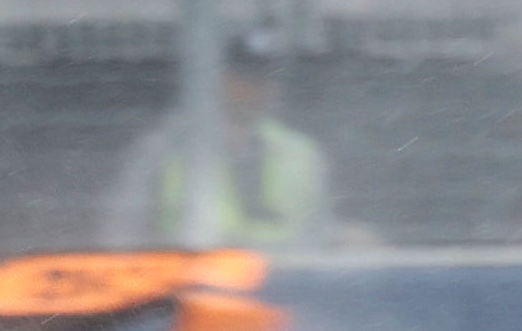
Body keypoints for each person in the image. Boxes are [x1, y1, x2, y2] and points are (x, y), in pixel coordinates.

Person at [96, 28, 346, 247]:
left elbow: (317, 234)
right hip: (196, 288)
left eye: (263, 78)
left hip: (281, 287)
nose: (253, 88)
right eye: (242, 76)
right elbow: (121, 235)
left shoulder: (301, 153)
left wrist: (343, 237)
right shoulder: (164, 149)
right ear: (215, 78)